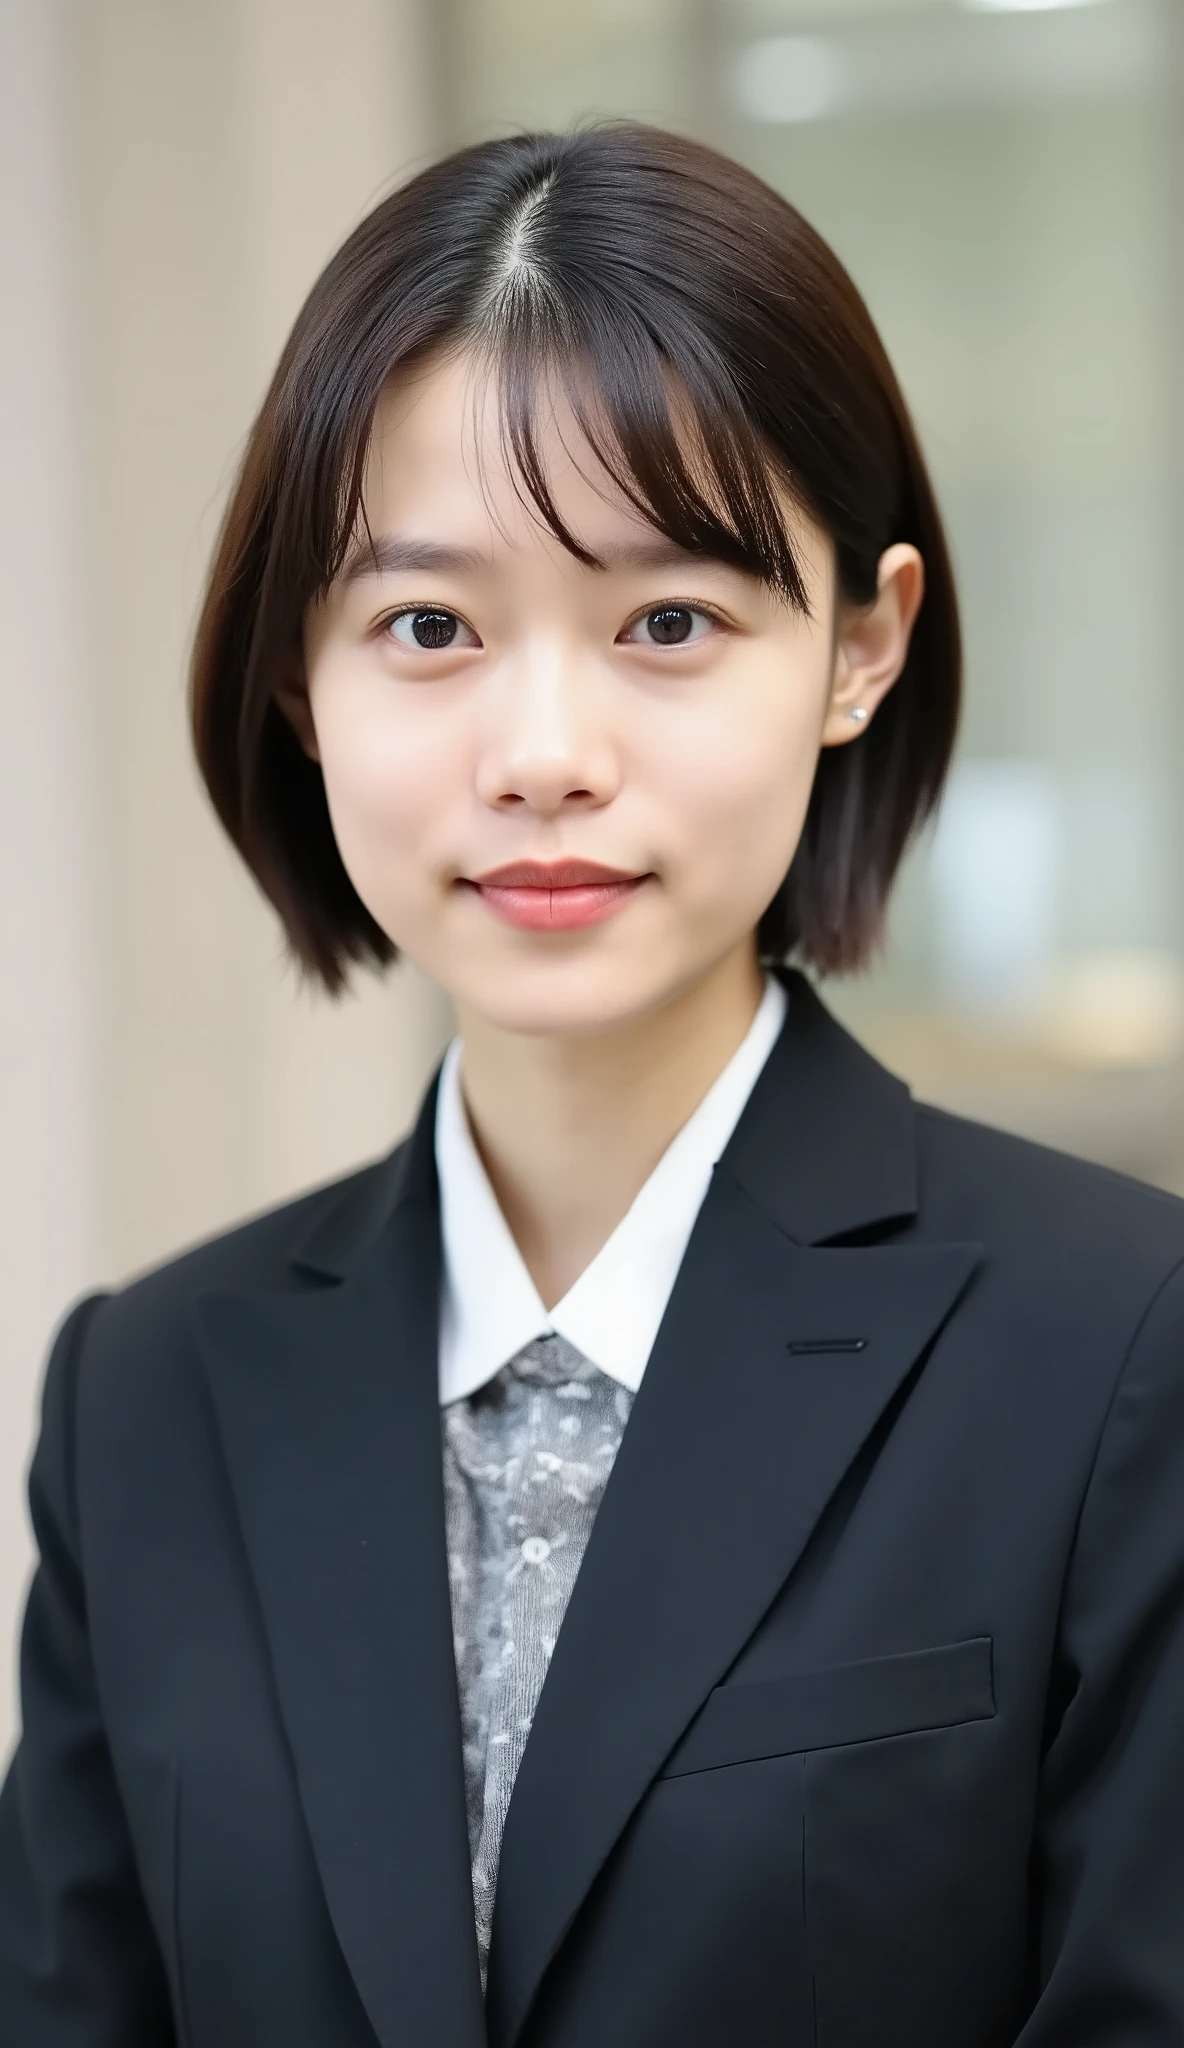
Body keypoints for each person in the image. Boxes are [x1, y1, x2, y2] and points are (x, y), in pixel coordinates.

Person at [1, 121, 1182, 2048]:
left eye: (667, 624)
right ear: (303, 677)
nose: (544, 752)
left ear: (861, 646)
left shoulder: (1125, 1350)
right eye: (431, 628)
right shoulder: (146, 1398)